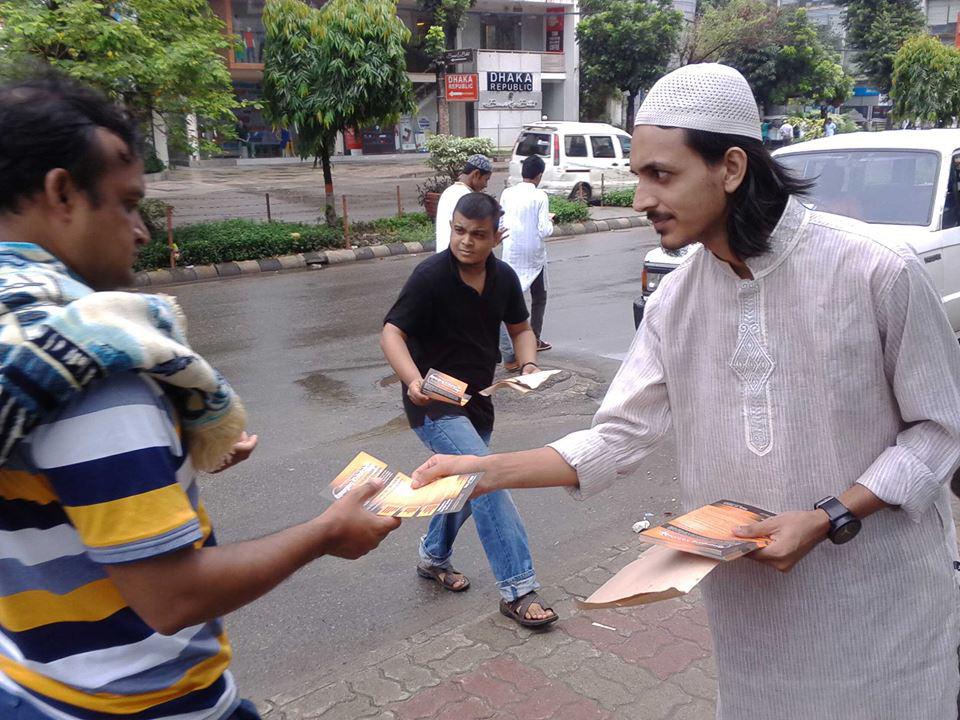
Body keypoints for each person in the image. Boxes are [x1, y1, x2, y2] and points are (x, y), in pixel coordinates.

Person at [411, 63, 960, 719]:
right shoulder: (678, 299)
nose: (640, 198)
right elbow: (618, 435)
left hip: (880, 617)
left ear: (730, 168)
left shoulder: (875, 271)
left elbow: (940, 430)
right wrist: (482, 471)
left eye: (660, 175)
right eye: (639, 174)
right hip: (752, 626)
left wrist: (828, 516)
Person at [0, 75, 400, 720]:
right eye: (128, 204)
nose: (141, 233)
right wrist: (327, 532)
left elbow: (50, 496)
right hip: (138, 703)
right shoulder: (90, 366)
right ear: (63, 192)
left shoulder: (13, 343)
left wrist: (170, 457)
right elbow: (172, 597)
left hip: (32, 683)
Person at [381, 192, 558, 628]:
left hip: (478, 403)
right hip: (433, 404)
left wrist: (528, 362)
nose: (465, 241)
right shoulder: (430, 276)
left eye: (478, 235)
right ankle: (518, 588)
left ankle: (432, 556)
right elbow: (392, 333)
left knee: (465, 487)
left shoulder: (503, 279)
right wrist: (412, 380)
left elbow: (520, 329)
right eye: (459, 231)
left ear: (497, 237)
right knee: (486, 478)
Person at [498, 155, 555, 367]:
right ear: (539, 175)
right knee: (539, 296)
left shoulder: (507, 192)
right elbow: (543, 230)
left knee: (510, 296)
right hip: (533, 254)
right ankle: (535, 337)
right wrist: (550, 222)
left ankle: (510, 342)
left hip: (511, 251)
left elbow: (500, 221)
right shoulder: (540, 196)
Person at [434, 154, 493, 253]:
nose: (485, 185)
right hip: (459, 257)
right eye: (486, 179)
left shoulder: (449, 191)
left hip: (443, 256)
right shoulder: (467, 198)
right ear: (476, 174)